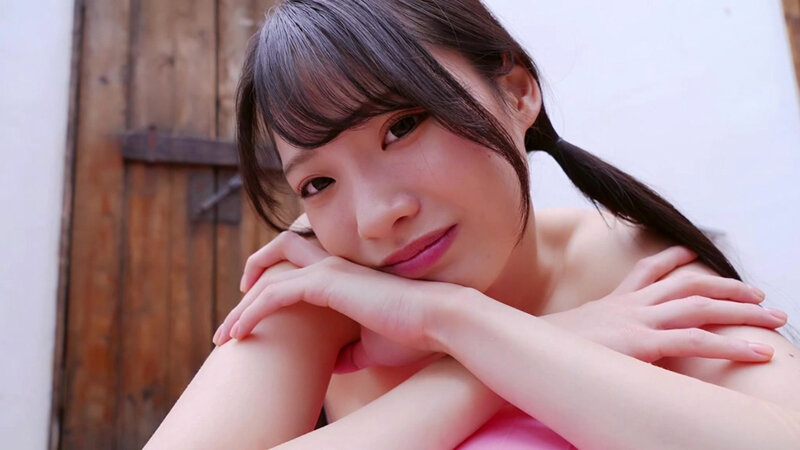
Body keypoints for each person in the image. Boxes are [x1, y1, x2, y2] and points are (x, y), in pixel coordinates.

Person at [145, 1, 800, 448]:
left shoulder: (633, 269)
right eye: (317, 184)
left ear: (516, 91)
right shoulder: (323, 292)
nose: (375, 217)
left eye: (403, 126)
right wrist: (487, 362)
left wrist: (455, 322)